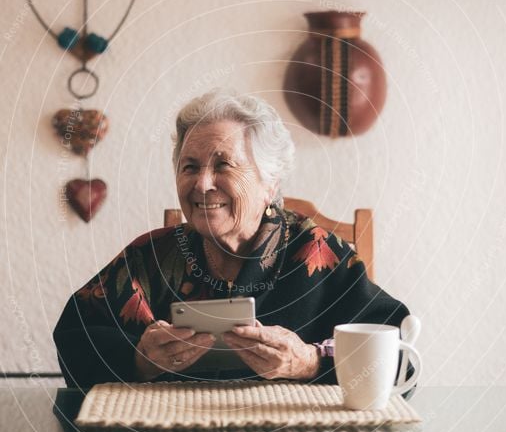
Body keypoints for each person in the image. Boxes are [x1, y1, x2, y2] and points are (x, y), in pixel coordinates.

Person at [54, 90, 409, 388]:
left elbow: (400, 356)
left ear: (269, 184)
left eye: (223, 165)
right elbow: (73, 338)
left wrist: (312, 362)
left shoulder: (316, 251)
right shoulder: (152, 256)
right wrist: (138, 359)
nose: (202, 184)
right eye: (190, 166)